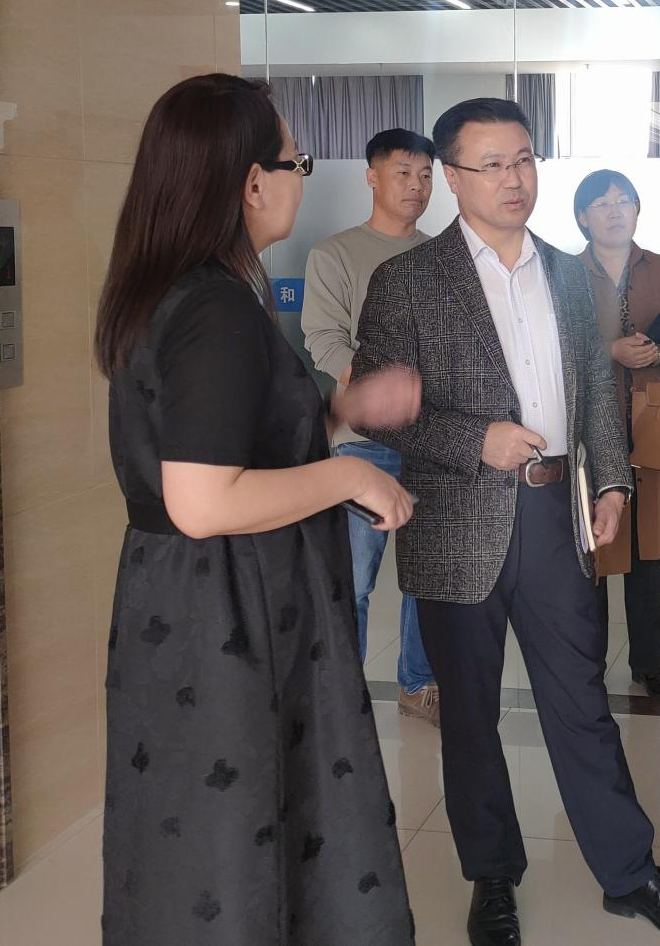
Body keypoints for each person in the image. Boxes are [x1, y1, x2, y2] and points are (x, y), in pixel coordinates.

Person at [352, 98, 660, 946]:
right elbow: (378, 408)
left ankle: (629, 872)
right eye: (491, 164)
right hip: (456, 523)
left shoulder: (565, 270)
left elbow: (593, 387)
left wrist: (614, 481)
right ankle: (492, 877)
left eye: (523, 159)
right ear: (452, 177)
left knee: (581, 700)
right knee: (470, 716)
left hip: (557, 516)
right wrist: (472, 439)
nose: (513, 179)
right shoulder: (407, 281)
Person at [94, 74, 420, 946]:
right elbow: (203, 499)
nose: (300, 179)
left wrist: (339, 411)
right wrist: (349, 478)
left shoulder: (173, 289)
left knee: (203, 832)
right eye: (295, 162)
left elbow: (229, 444)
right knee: (234, 834)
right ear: (250, 182)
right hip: (228, 612)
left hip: (187, 602)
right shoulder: (215, 307)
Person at [302, 127, 441, 725]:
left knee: (426, 577)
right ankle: (343, 694)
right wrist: (380, 392)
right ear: (372, 177)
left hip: (432, 444)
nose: (416, 186)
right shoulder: (335, 254)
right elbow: (323, 339)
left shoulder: (444, 255)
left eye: (426, 175)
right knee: (353, 578)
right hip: (362, 446)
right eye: (403, 173)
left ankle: (419, 683)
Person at [574, 168, 660, 702]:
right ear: (582, 217)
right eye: (602, 204)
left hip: (653, 426)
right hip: (590, 431)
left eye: (624, 201)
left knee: (647, 555)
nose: (615, 211)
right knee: (594, 555)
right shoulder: (565, 272)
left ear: (638, 210)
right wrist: (610, 352)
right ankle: (588, 669)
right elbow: (557, 349)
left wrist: (659, 353)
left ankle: (650, 667)